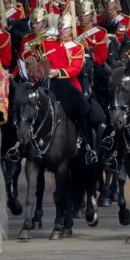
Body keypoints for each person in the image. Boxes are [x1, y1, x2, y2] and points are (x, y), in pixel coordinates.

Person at [42, 11, 99, 165]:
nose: (62, 31)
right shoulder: (48, 43)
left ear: (71, 29)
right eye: (60, 28)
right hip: (48, 83)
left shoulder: (77, 47)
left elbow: (76, 68)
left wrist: (58, 72)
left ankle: (88, 147)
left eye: (65, 28)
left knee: (83, 110)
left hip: (68, 85)